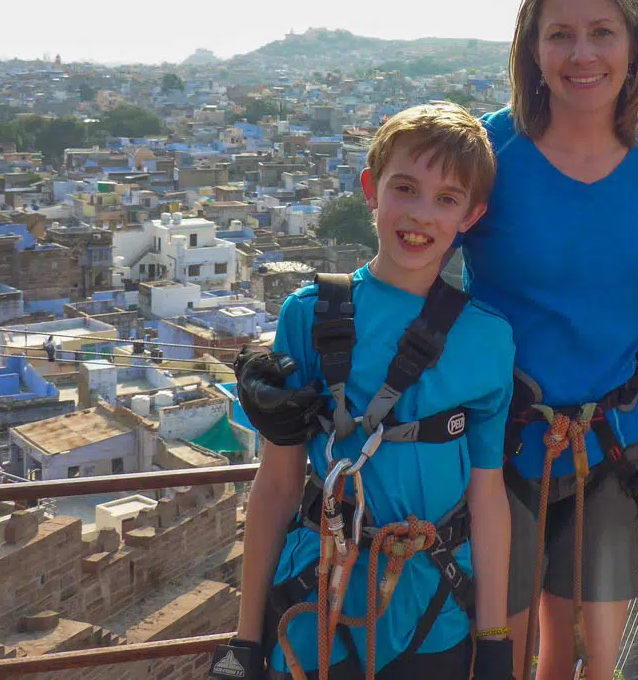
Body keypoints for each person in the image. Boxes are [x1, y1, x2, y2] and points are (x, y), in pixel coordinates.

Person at [212, 103, 515, 680]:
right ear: (371, 190)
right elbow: (278, 485)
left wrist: (495, 637)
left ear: (471, 215)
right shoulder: (307, 315)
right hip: (315, 603)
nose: (421, 214)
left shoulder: (487, 339)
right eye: (406, 189)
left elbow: (487, 495)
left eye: (446, 199)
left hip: (432, 605)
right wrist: (246, 638)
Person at [460, 0, 638, 680]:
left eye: (602, 33)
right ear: (532, 51)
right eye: (561, 35)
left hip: (612, 444)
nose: (582, 54)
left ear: (634, 45)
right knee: (502, 651)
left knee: (590, 657)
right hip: (502, 446)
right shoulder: (490, 151)